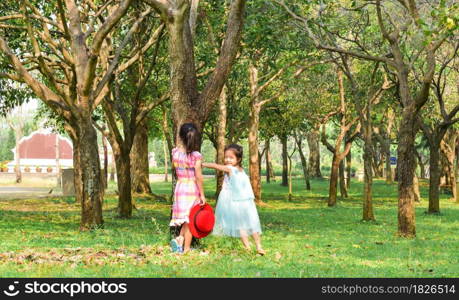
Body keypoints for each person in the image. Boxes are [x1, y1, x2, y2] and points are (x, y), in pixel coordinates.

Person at [202, 144, 265, 255]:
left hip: (235, 202)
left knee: (242, 225)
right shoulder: (241, 170)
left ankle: (252, 247)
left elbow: (216, 166)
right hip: (245, 202)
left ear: (238, 159)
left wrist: (203, 164)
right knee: (249, 224)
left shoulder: (230, 169)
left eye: (231, 158)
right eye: (226, 157)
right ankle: (256, 247)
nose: (227, 160)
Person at [169, 123, 206, 254]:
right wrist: (202, 194)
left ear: (180, 136)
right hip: (191, 188)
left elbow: (175, 169)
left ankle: (179, 239)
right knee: (190, 220)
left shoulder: (175, 153)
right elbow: (198, 177)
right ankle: (186, 249)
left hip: (180, 187)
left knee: (186, 218)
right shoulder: (196, 155)